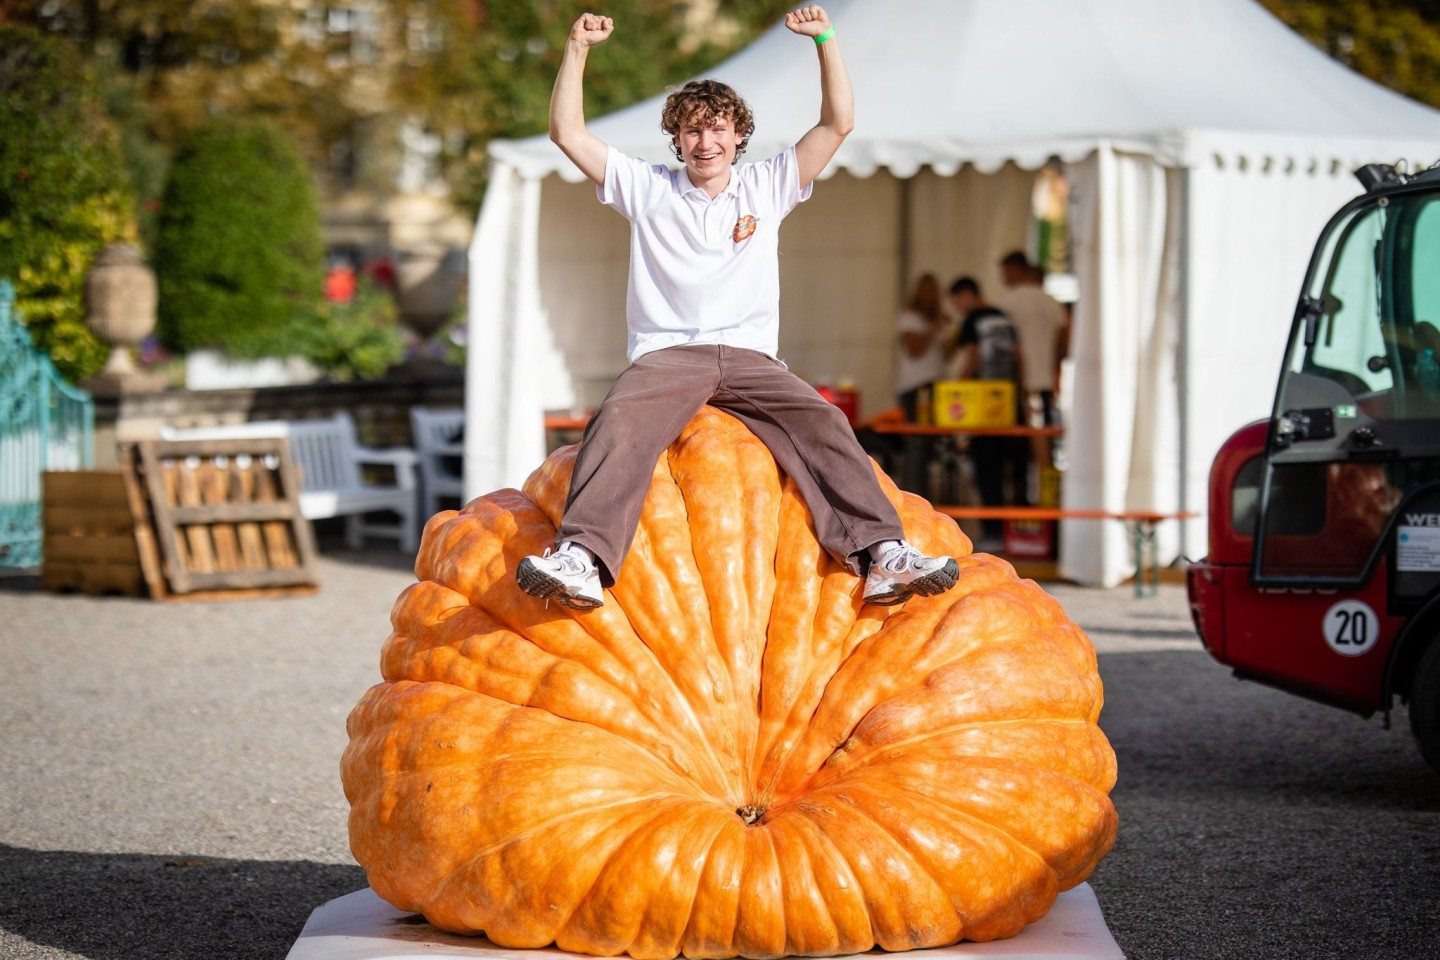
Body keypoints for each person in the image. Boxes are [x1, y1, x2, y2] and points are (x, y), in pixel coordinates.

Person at [515, 7, 961, 611]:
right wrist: (576, 49)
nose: (706, 142)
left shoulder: (767, 186)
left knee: (824, 423)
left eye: (718, 129)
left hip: (751, 359)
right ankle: (582, 559)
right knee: (620, 420)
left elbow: (839, 122)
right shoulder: (645, 188)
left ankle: (884, 555)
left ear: (737, 137)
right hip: (670, 354)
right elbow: (567, 133)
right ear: (676, 139)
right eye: (694, 131)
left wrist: (825, 41)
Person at [949, 276, 1025, 548]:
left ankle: (993, 532)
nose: (958, 307)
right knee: (1015, 470)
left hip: (982, 403)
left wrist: (954, 389)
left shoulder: (972, 320)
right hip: (1008, 399)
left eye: (957, 300)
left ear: (966, 295)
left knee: (986, 468)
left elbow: (974, 357)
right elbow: (1019, 356)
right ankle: (1019, 534)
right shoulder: (1003, 318)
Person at [894, 272, 952, 421]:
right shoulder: (909, 318)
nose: (931, 296)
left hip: (938, 382)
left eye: (934, 291)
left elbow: (946, 355)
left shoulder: (937, 319)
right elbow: (914, 350)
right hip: (917, 385)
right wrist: (934, 328)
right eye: (927, 291)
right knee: (920, 434)